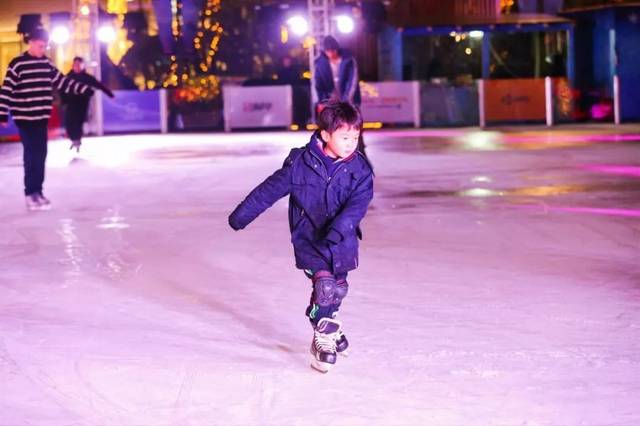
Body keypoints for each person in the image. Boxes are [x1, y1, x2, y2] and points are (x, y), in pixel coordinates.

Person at [228, 101, 374, 373]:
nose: (351, 143)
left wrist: (340, 229)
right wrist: (241, 216)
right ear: (326, 134)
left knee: (338, 290)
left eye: (355, 137)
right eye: (345, 137)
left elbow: (358, 204)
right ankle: (323, 339)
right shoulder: (300, 164)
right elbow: (268, 190)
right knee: (325, 287)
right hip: (310, 239)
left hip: (342, 242)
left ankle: (328, 321)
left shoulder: (360, 169)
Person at [0, 28, 93, 211]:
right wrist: (2, 113)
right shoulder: (17, 64)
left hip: (41, 117)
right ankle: (30, 193)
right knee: (31, 155)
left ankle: (39, 192)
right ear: (31, 43)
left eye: (45, 46)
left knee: (41, 155)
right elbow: (6, 89)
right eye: (40, 46)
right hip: (24, 117)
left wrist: (84, 89)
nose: (43, 50)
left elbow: (63, 82)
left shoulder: (46, 64)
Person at [314, 36, 368, 159]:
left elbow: (352, 81)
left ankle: (360, 155)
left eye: (333, 50)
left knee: (353, 128)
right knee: (332, 129)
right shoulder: (319, 63)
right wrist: (323, 101)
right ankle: (332, 157)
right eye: (328, 51)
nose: (331, 53)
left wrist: (346, 100)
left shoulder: (348, 60)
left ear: (337, 49)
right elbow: (318, 83)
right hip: (331, 102)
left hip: (350, 101)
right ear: (324, 51)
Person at [63, 56, 114, 152]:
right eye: (75, 65)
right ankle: (73, 138)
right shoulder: (68, 77)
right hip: (70, 103)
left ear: (82, 66)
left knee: (78, 121)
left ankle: (77, 139)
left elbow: (99, 85)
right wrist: (63, 100)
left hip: (82, 103)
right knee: (69, 121)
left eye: (79, 65)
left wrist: (110, 95)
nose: (77, 67)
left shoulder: (87, 78)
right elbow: (61, 88)